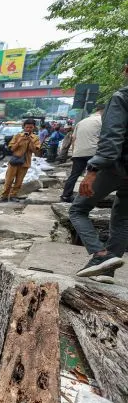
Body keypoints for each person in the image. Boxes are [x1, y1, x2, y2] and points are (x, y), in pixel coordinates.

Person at [70, 63, 128, 282]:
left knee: (77, 210)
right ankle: (107, 271)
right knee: (122, 220)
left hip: (117, 167)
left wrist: (93, 170)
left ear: (126, 70)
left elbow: (112, 138)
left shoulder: (122, 97)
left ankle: (99, 255)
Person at [61, 106, 104, 203]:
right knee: (95, 175)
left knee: (74, 175)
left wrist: (74, 152)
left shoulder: (81, 122)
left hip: (79, 153)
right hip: (93, 152)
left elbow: (73, 139)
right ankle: (90, 197)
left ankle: (66, 195)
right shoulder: (102, 121)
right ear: (103, 112)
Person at [0, 118, 41, 203]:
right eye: (27, 127)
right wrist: (20, 141)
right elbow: (12, 149)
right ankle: (4, 196)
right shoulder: (17, 136)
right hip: (14, 161)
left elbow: (35, 151)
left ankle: (14, 195)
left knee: (19, 181)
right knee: (8, 180)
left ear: (34, 128)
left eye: (31, 127)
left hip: (25, 162)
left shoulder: (35, 138)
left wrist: (30, 141)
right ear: (24, 127)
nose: (28, 129)